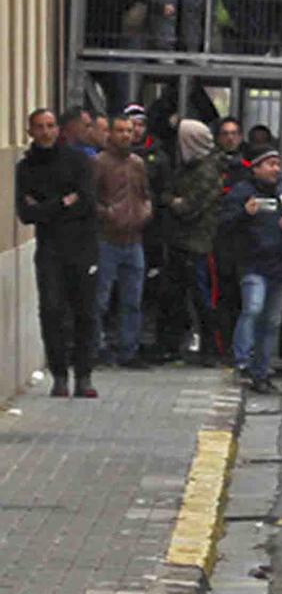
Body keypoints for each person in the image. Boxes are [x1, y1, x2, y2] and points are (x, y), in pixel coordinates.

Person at [16, 109, 101, 397]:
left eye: (50, 126)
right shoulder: (26, 168)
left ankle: (85, 375)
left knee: (85, 313)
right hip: (50, 249)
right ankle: (60, 374)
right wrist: (62, 203)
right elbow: (26, 213)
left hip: (82, 247)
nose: (46, 132)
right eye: (39, 127)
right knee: (52, 311)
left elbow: (87, 201)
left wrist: (47, 207)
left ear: (58, 129)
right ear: (30, 131)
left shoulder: (78, 162)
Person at [220, 147, 282, 395]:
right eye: (269, 164)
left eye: (278, 164)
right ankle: (243, 360)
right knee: (253, 309)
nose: (275, 169)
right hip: (253, 264)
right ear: (255, 168)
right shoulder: (243, 193)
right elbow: (224, 223)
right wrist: (244, 214)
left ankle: (262, 371)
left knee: (272, 322)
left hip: (280, 267)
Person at [158, 119, 225, 365]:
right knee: (175, 297)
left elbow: (188, 208)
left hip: (199, 244)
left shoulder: (206, 171)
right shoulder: (187, 168)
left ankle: (210, 349)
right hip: (182, 242)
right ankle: (174, 345)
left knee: (203, 299)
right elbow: (169, 194)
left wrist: (174, 201)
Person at [92, 114, 154, 368]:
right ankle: (96, 348)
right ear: (110, 134)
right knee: (100, 299)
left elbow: (145, 194)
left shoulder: (137, 163)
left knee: (133, 299)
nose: (126, 135)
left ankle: (129, 350)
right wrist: (108, 214)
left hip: (134, 239)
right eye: (120, 131)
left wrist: (145, 211)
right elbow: (89, 198)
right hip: (107, 239)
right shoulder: (98, 162)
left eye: (129, 131)